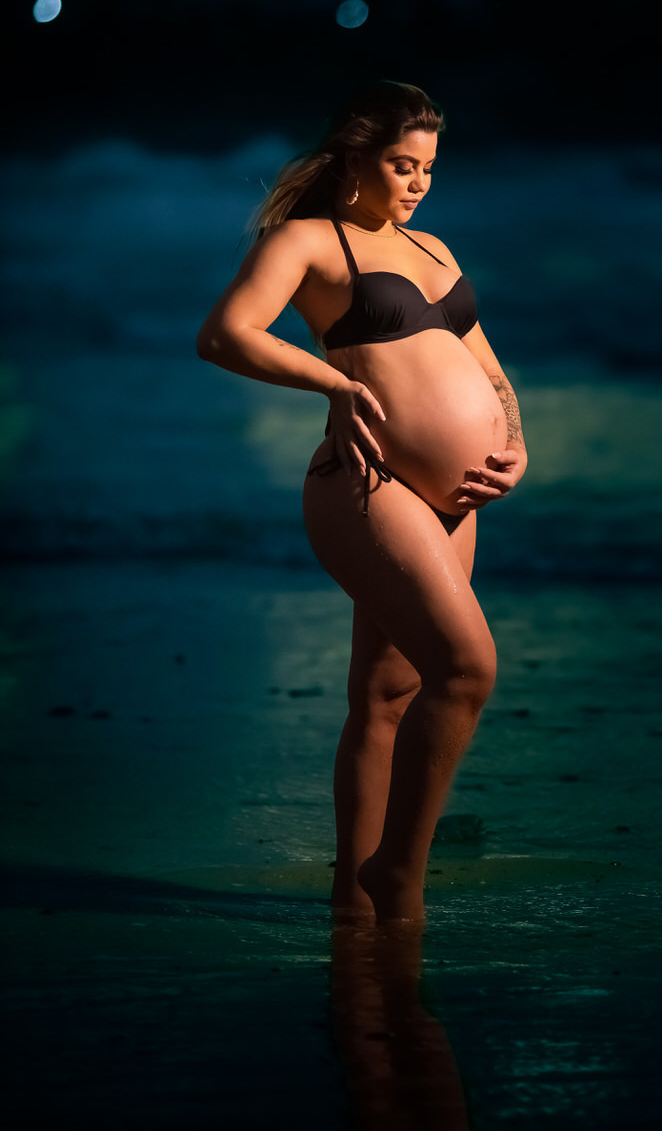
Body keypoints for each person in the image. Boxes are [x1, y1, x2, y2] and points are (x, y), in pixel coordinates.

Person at [196, 81, 527, 925]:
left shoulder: (435, 251)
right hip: (366, 485)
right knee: (467, 669)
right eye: (400, 164)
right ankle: (398, 877)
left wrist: (514, 442)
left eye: (427, 169)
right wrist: (335, 385)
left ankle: (352, 898)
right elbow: (226, 333)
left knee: (386, 696)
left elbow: (486, 364)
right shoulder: (308, 240)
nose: (417, 183)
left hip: (455, 501)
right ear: (354, 156)